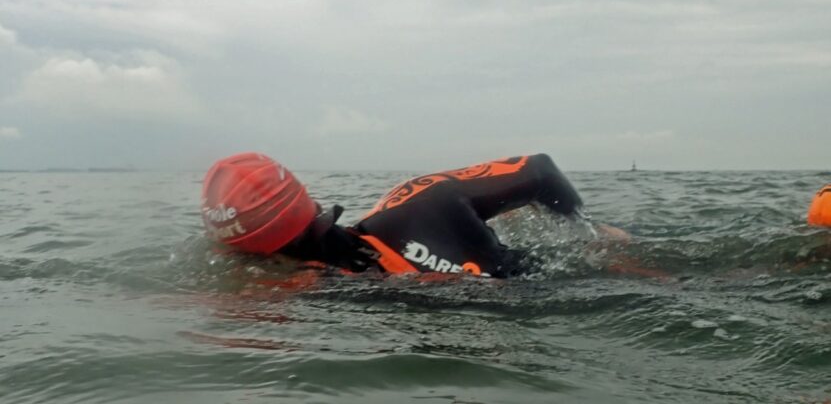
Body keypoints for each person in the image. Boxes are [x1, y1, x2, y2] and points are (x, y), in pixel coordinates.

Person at [200, 152, 585, 278]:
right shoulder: (416, 202)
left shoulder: (423, 203)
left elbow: (540, 169)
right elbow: (539, 170)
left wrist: (586, 237)